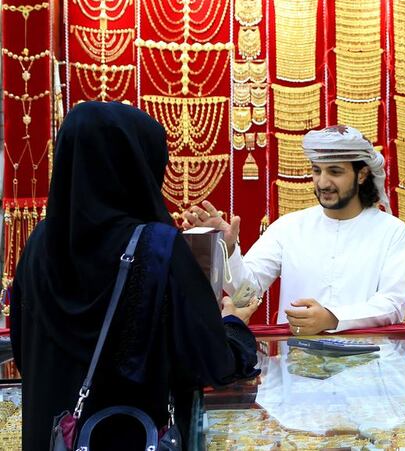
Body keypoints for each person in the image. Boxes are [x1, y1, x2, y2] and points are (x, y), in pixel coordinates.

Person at [10, 101, 261, 450]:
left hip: (56, 434)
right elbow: (212, 364)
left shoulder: (39, 243)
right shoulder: (155, 247)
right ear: (136, 166)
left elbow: (23, 352)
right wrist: (233, 325)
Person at [182, 125, 405, 335]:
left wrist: (331, 318)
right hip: (297, 368)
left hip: (367, 367)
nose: (322, 183)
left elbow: (393, 304)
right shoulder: (288, 227)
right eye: (317, 171)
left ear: (361, 175)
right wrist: (228, 249)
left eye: (335, 172)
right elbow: (246, 296)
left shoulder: (391, 230)